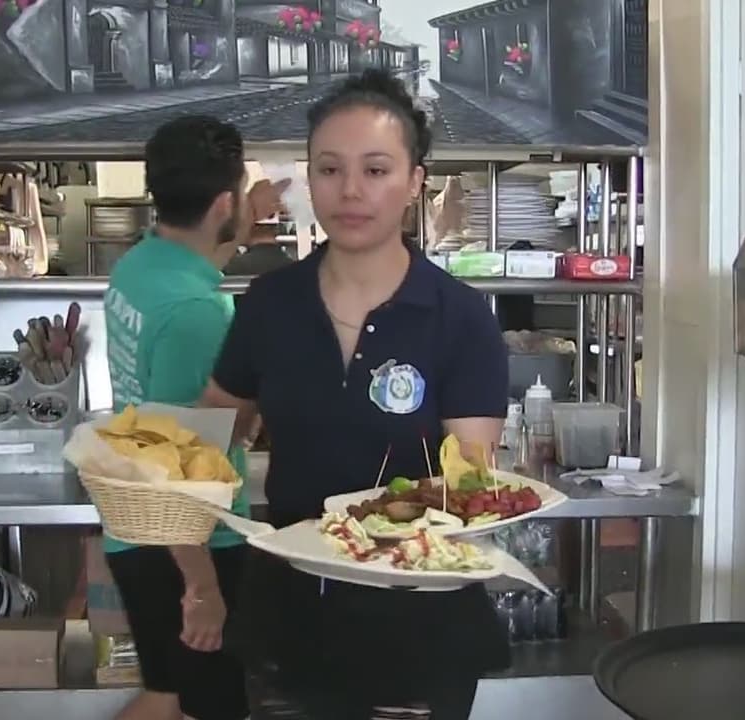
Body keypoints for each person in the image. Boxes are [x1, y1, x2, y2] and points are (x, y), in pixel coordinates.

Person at [202, 71, 511, 718]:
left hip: (419, 621)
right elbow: (206, 443)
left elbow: (468, 483)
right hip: (289, 620)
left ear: (415, 181)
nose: (350, 191)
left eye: (375, 170)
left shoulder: (459, 317)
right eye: (329, 169)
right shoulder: (269, 305)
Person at [101, 115, 284, 720]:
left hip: (137, 531)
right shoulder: (199, 313)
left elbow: (204, 252)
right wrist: (202, 588)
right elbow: (177, 464)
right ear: (224, 203)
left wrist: (243, 220)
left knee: (168, 697)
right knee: (210, 707)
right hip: (191, 542)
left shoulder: (139, 265)